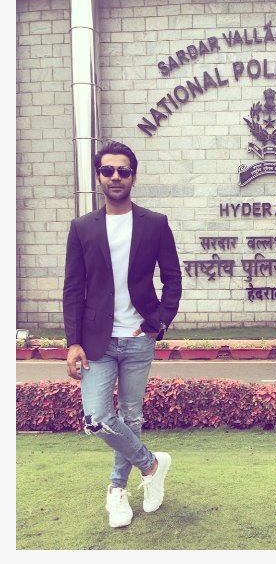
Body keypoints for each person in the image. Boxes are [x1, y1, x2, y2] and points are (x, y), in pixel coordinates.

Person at [63, 140, 182, 528]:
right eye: (108, 170)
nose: (116, 177)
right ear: (98, 176)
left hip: (138, 337)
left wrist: (158, 322)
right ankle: (151, 466)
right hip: (95, 340)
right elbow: (73, 288)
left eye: (123, 171)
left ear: (133, 176)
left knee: (131, 416)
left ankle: (117, 491)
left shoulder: (155, 223)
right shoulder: (82, 227)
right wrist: (73, 342)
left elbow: (173, 278)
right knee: (96, 418)